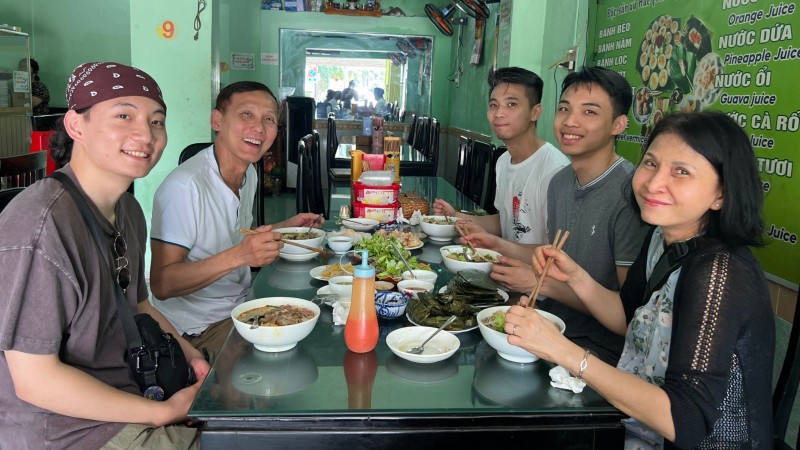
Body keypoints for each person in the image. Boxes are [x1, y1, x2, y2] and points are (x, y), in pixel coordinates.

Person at [506, 111, 774, 448]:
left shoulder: (720, 272)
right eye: (650, 163)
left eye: (681, 171)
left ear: (721, 193)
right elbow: (628, 318)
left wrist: (563, 350)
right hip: (639, 428)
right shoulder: (663, 237)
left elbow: (685, 420)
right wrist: (576, 277)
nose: (653, 182)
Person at [0, 62, 209, 449]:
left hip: (133, 390)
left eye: (157, 121)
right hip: (70, 432)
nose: (145, 134)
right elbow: (33, 379)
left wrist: (193, 355)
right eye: (123, 115)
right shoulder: (41, 226)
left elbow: (139, 304)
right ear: (76, 126)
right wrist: (163, 413)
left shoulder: (128, 210)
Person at [479, 67, 651, 364]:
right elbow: (553, 264)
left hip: (599, 351)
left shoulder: (630, 193)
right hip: (548, 324)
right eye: (564, 109)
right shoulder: (560, 182)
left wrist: (538, 283)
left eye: (590, 112)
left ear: (618, 124)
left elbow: (628, 314)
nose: (571, 121)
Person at [149, 81, 320, 359]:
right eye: (246, 115)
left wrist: (285, 226)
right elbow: (162, 284)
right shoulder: (185, 186)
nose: (259, 128)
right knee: (289, 359)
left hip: (241, 305)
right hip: (197, 328)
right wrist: (241, 256)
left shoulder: (249, 173)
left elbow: (235, 235)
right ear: (217, 120)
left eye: (268, 119)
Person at [433, 67, 569, 258]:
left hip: (536, 283)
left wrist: (498, 245)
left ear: (535, 112)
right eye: (494, 105)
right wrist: (456, 216)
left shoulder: (555, 170)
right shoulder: (504, 161)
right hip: (503, 268)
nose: (499, 114)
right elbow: (506, 221)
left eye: (511, 105)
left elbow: (556, 251)